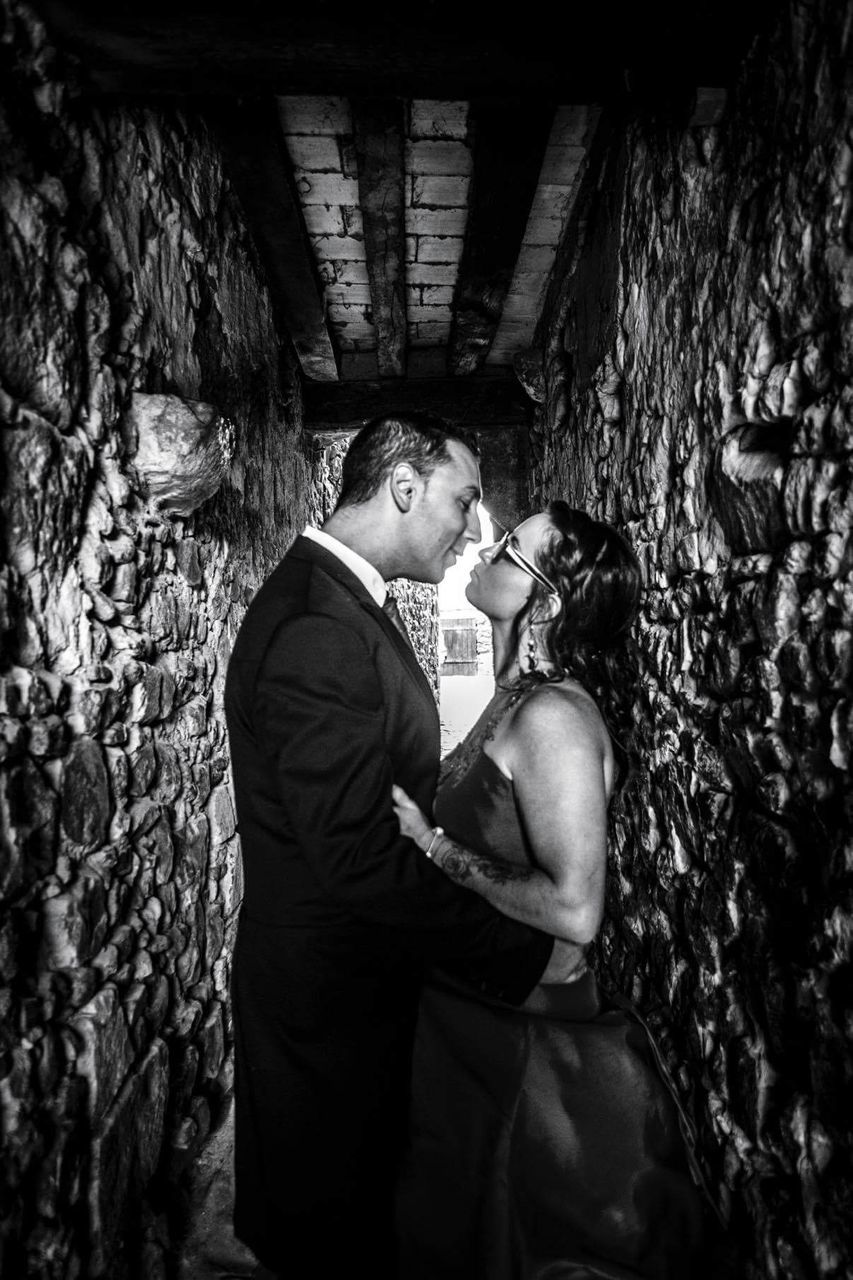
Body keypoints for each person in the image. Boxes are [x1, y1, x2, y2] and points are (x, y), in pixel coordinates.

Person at [223, 414, 577, 1280]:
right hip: (330, 1010)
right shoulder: (319, 627)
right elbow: (354, 858)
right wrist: (519, 952)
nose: (469, 531)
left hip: (350, 993)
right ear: (405, 488)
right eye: (464, 501)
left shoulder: (334, 603)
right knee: (337, 1239)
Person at [392, 502, 727, 1279]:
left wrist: (432, 845)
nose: (485, 545)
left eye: (509, 548)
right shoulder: (513, 697)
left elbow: (576, 909)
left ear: (547, 600)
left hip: (527, 1044)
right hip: (475, 1014)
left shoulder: (552, 719)